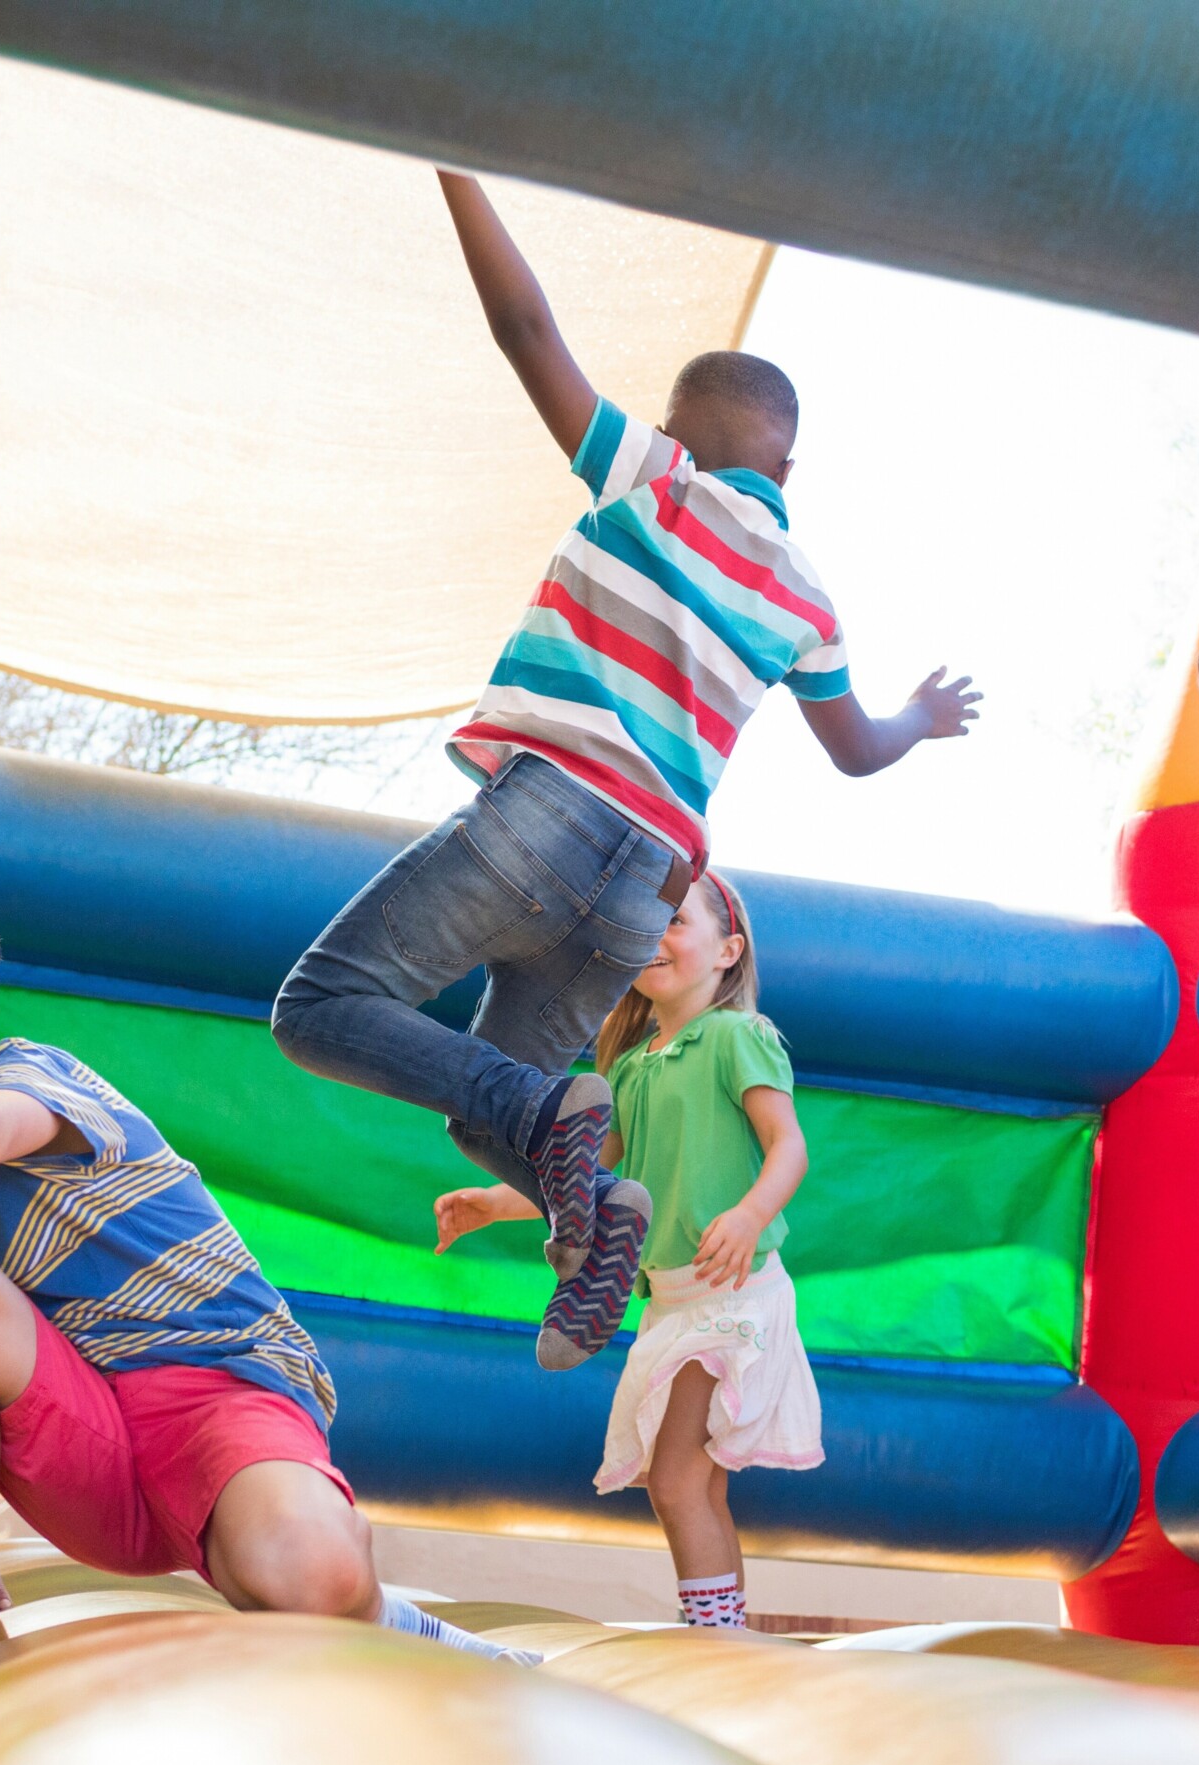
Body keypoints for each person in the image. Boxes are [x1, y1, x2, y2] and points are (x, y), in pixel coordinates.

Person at [272, 169, 978, 1374]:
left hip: (548, 813)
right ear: (789, 473)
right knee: (490, 1099)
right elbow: (856, 751)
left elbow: (527, 330)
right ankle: (599, 1217)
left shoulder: (655, 478)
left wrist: (455, 164)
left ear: (676, 430)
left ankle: (561, 1146)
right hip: (649, 879)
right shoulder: (806, 596)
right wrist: (916, 714)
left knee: (324, 1006)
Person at [0, 867, 532, 1696]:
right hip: (92, 1461)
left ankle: (383, 1615)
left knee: (306, 1573)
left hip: (218, 1396)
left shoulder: (30, 1081)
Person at [433, 874, 819, 1629]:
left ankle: (714, 1635)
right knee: (693, 1484)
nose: (660, 938)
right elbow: (589, 1175)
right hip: (673, 1299)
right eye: (650, 926)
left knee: (676, 1478)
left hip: (734, 1293)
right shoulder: (634, 1066)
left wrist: (748, 1213)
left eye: (677, 922)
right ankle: (727, 1628)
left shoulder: (738, 1036)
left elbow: (789, 1147)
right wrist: (490, 1203)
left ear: (726, 950)